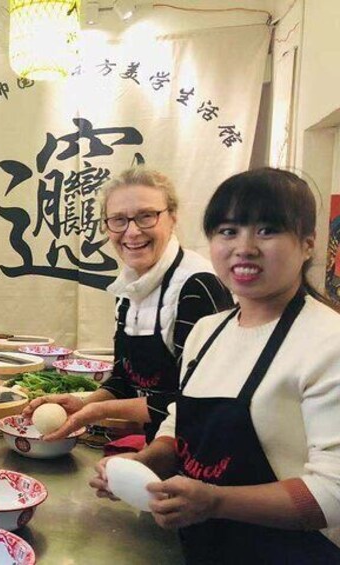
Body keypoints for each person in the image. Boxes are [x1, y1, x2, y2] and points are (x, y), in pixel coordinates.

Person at [91, 168, 340, 563]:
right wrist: (144, 463)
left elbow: (334, 495)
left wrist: (216, 502)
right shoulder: (209, 330)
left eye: (267, 230)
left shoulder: (328, 340)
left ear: (308, 243)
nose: (244, 248)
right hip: (205, 547)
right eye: (227, 231)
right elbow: (180, 424)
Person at [25, 168, 232, 444]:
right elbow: (124, 379)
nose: (132, 232)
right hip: (161, 446)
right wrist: (82, 404)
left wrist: (96, 411)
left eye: (146, 216)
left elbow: (195, 399)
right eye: (118, 220)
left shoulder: (196, 286)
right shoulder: (129, 289)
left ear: (172, 218)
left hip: (204, 452)